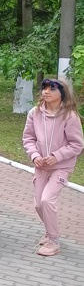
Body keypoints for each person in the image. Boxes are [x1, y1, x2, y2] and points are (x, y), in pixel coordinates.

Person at [23, 78, 83, 257]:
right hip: (41, 165)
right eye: (44, 89)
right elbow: (28, 138)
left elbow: (76, 144)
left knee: (47, 200)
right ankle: (50, 232)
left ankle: (54, 241)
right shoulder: (35, 113)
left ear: (62, 93)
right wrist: (35, 156)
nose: (46, 92)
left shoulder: (69, 116)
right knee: (39, 204)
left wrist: (56, 156)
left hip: (61, 166)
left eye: (52, 89)